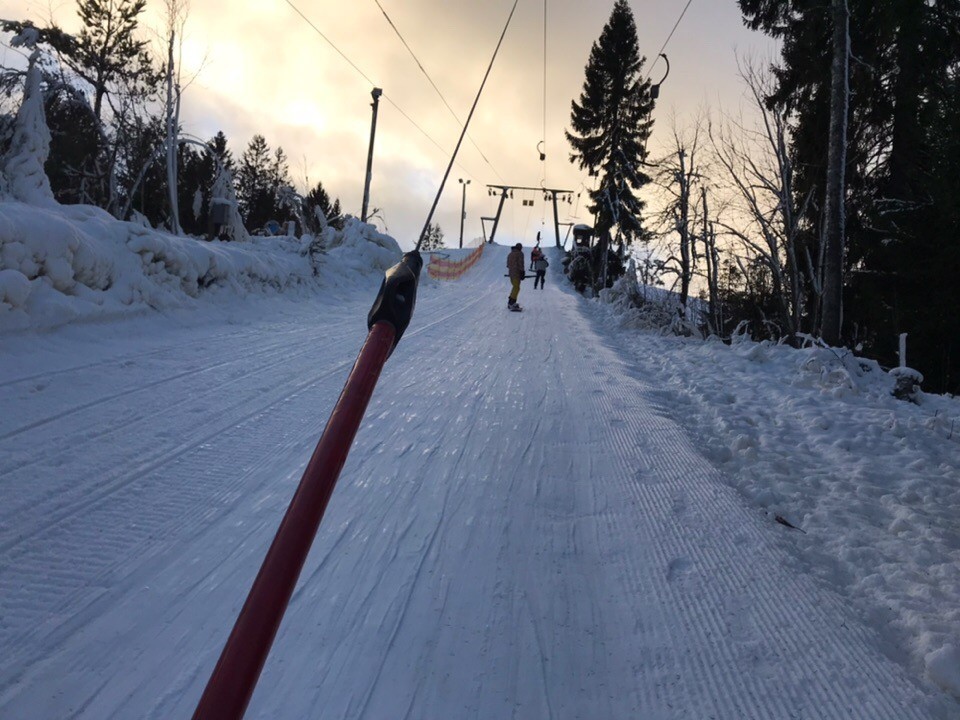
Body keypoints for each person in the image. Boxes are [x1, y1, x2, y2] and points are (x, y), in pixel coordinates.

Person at [506, 242, 525, 311]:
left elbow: (508, 265)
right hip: (517, 273)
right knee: (516, 287)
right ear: (520, 248)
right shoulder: (520, 253)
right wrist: (522, 272)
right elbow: (521, 263)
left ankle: (510, 302)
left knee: (515, 287)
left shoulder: (510, 254)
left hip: (511, 273)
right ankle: (512, 303)